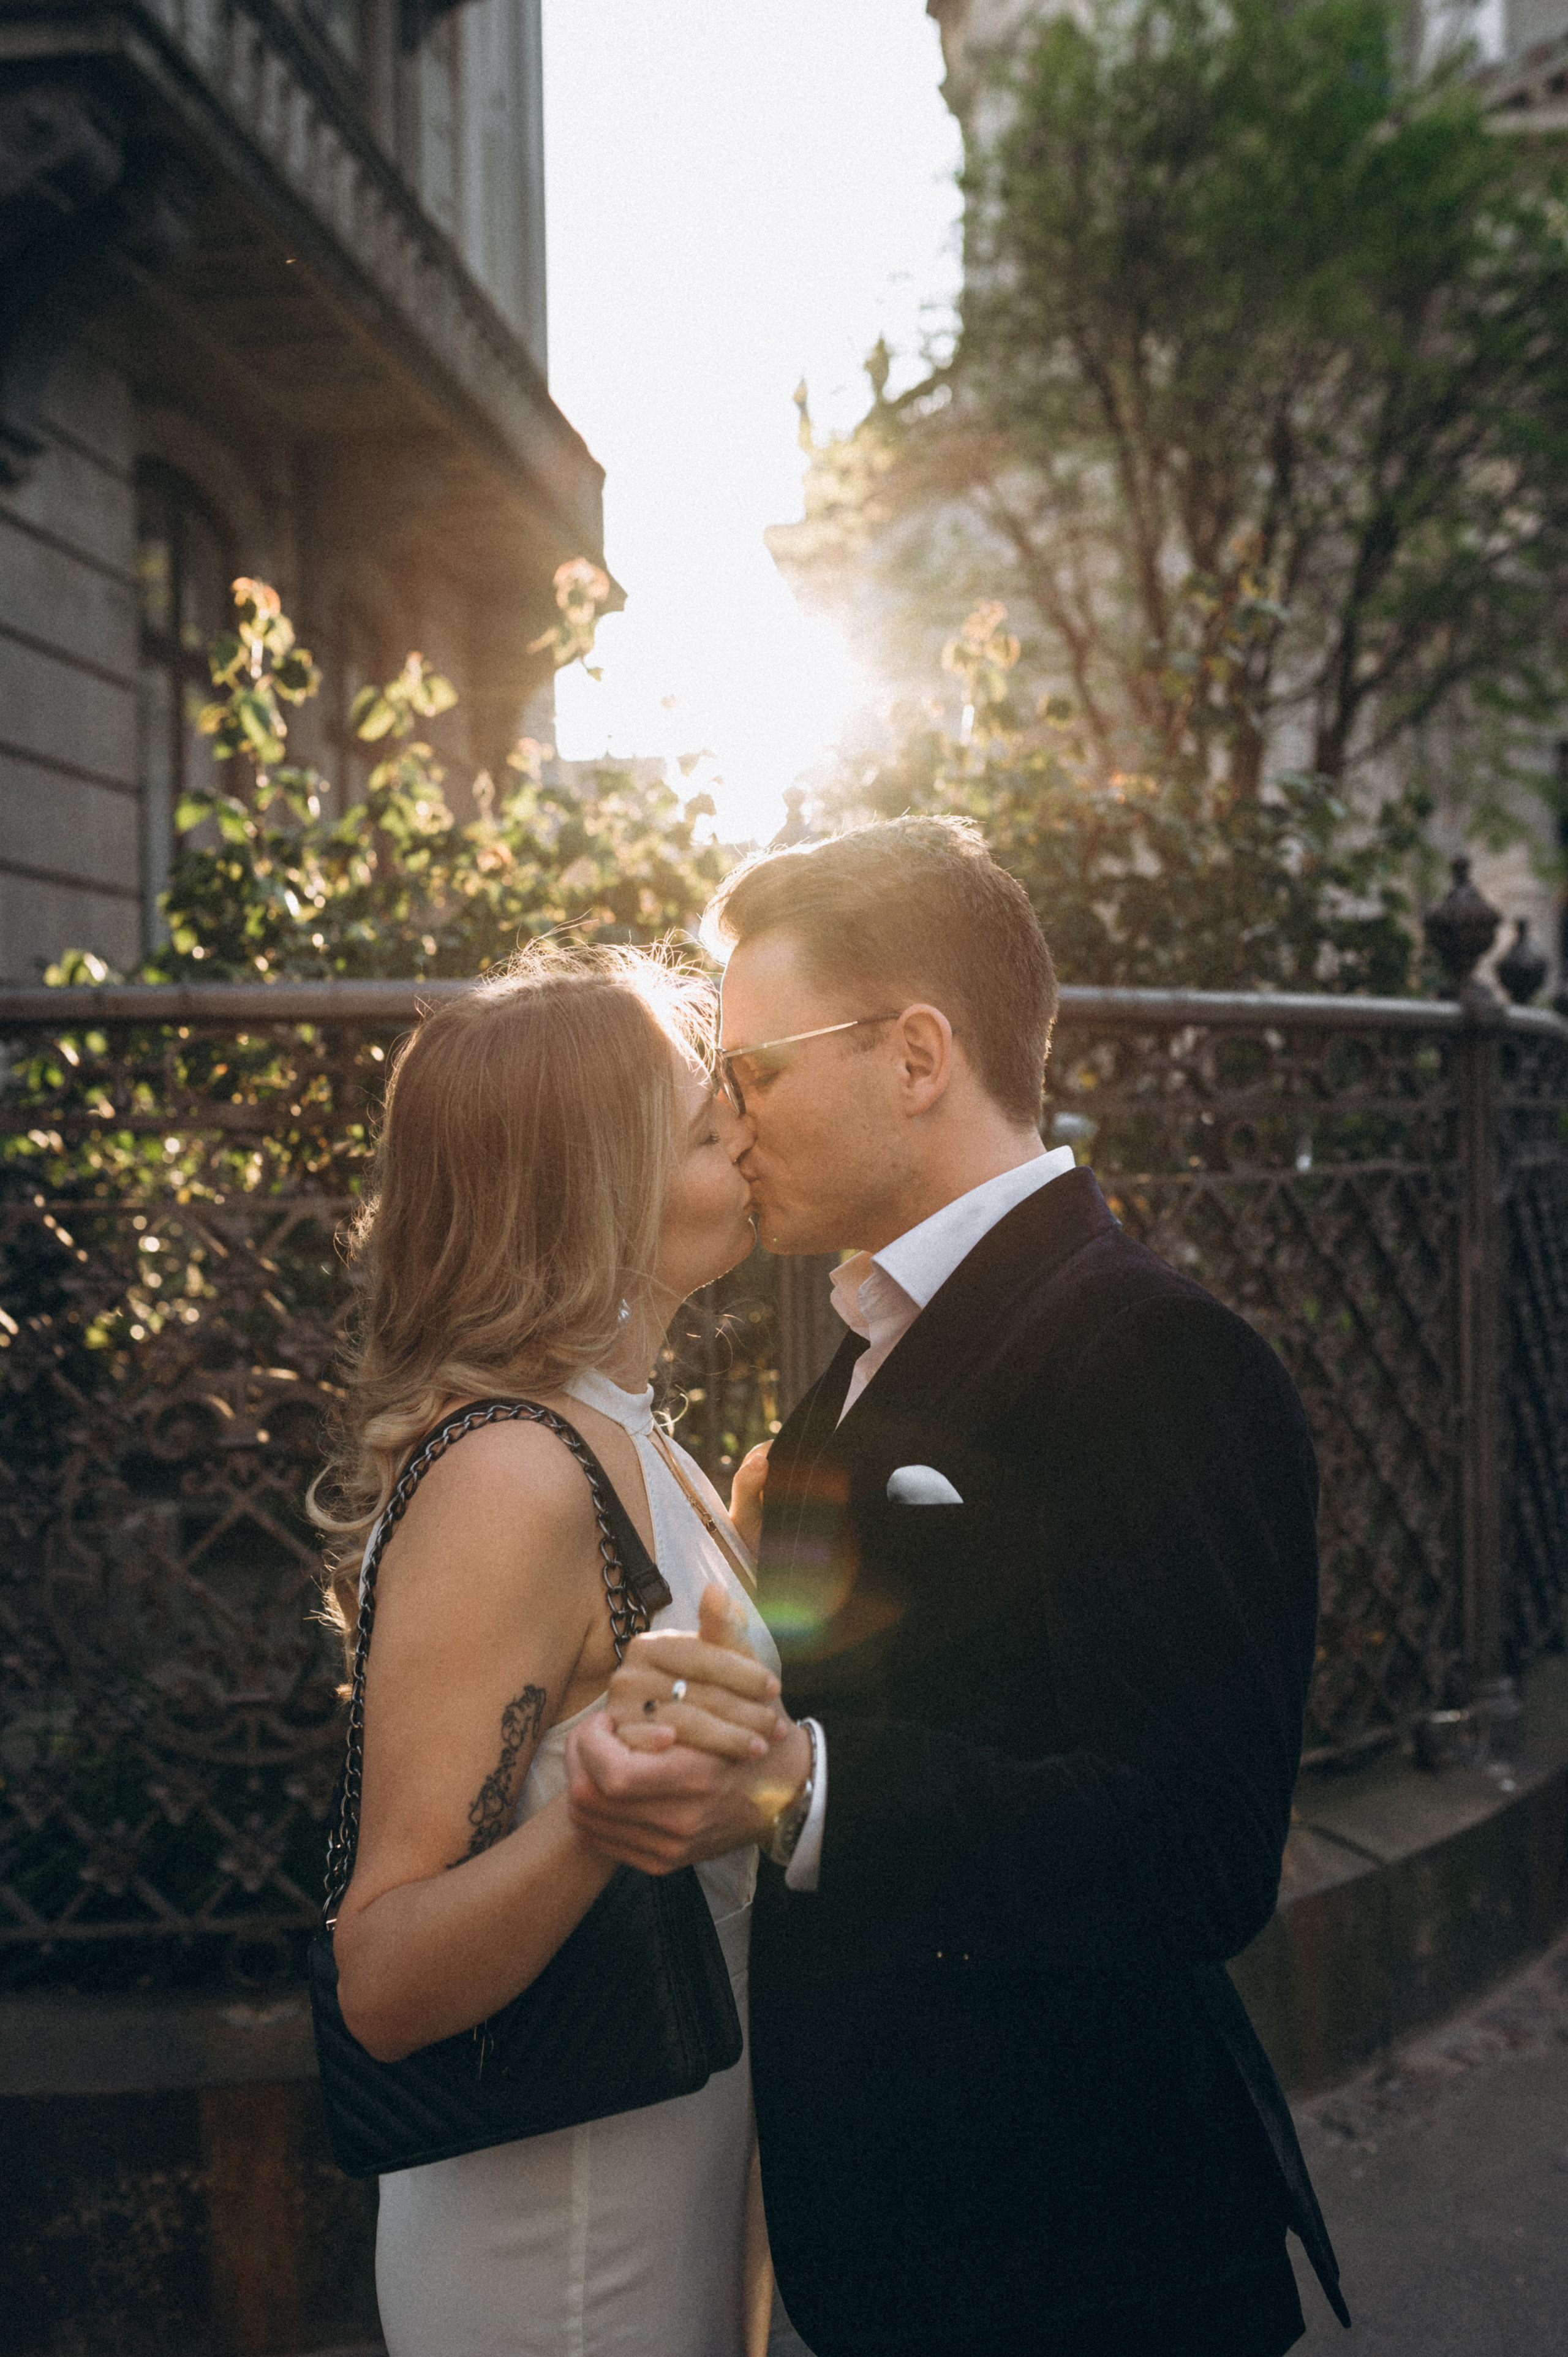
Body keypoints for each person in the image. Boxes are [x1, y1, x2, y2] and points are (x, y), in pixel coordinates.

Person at [566, 818, 1350, 2357]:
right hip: (901, 2253)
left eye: (755, 1069)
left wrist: (799, 1788)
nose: (730, 1115)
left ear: (916, 1055)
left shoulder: (1150, 1351)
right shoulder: (857, 1364)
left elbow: (1193, 1847)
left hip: (1084, 2268)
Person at [314, 944, 810, 2357]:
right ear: (587, 1189)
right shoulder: (509, 1475)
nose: (744, 1127)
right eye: (703, 1125)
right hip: (564, 2259)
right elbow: (381, 1977)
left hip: (679, 2196)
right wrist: (597, 1820)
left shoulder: (630, 1430)